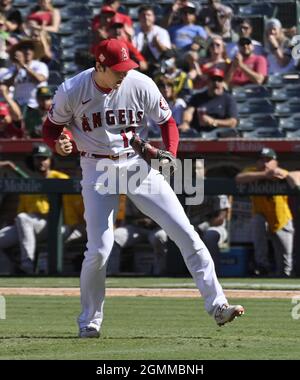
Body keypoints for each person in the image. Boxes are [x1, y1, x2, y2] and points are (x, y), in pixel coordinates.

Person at [42, 38, 244, 338]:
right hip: (96, 167)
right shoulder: (73, 89)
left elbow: (167, 122)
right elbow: (50, 129)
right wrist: (56, 144)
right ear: (99, 65)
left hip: (136, 165)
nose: (124, 72)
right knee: (99, 249)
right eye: (117, 68)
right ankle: (89, 320)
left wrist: (171, 153)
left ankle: (218, 305)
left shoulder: (139, 83)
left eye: (127, 66)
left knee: (185, 233)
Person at [0, 143, 85, 274]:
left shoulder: (60, 178)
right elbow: (21, 213)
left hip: (53, 224)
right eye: (38, 158)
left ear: (50, 160)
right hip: (28, 226)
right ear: (32, 160)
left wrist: (73, 226)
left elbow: (71, 210)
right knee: (22, 219)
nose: (41, 161)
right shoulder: (29, 181)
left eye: (44, 158)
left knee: (23, 219)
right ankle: (7, 274)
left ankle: (27, 265)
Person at [235, 147, 294, 277]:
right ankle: (262, 267)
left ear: (275, 162)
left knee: (285, 258)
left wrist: (283, 175)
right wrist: (264, 175)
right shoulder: (252, 172)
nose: (265, 163)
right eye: (262, 160)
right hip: (261, 214)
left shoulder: (281, 172)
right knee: (258, 222)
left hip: (281, 218)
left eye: (268, 160)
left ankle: (285, 276)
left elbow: (294, 181)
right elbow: (239, 178)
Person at [179, 68, 238, 134]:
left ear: (223, 82)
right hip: (199, 135)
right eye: (213, 80)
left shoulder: (228, 99)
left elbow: (233, 122)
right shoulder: (197, 97)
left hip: (221, 136)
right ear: (207, 82)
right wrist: (186, 123)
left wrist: (213, 122)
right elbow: (188, 112)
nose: (216, 83)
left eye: (219, 80)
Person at [4, 39, 49, 109]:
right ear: (19, 52)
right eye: (24, 48)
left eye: (30, 48)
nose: (27, 51)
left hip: (36, 105)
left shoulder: (40, 65)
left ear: (33, 52)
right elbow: (6, 85)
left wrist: (24, 66)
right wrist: (16, 71)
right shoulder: (14, 68)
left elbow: (40, 79)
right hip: (18, 105)